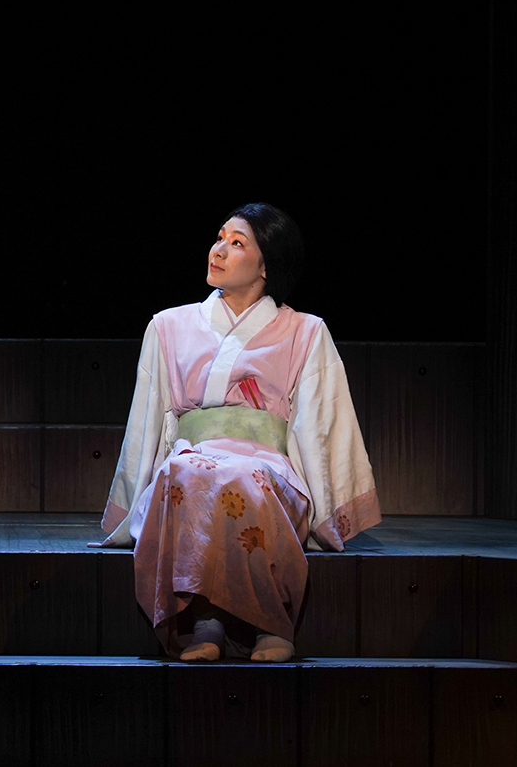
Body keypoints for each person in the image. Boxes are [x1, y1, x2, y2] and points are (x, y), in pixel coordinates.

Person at [97, 203, 379, 661]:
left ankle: (268, 621)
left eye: (237, 243)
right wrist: (130, 502)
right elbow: (147, 420)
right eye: (219, 237)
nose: (219, 250)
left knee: (246, 478)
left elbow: (320, 424)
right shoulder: (167, 326)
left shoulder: (305, 331)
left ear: (267, 265)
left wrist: (329, 512)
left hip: (266, 467)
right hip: (192, 457)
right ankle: (204, 619)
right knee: (185, 474)